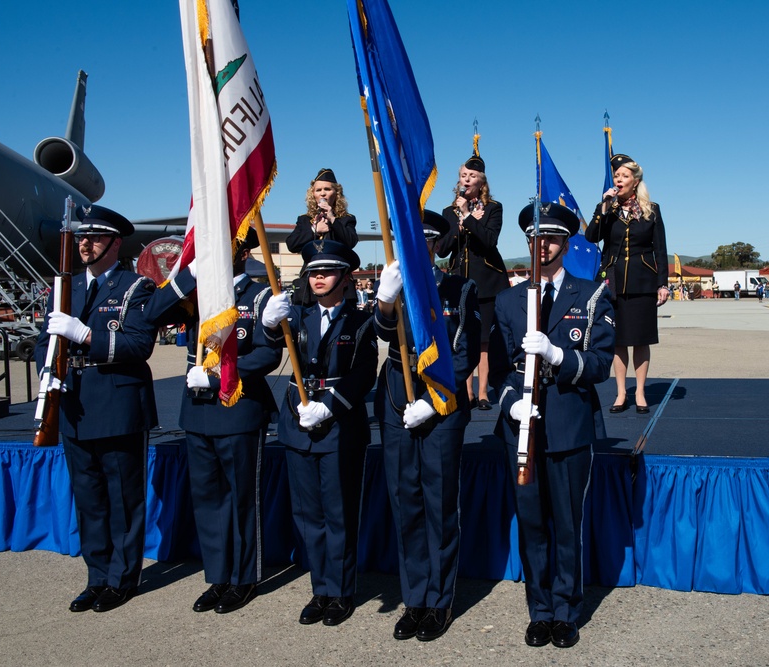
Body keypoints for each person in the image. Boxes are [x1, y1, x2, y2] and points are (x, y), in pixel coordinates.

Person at [490, 202, 615, 649]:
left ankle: (565, 610)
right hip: (522, 428)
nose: (543, 246)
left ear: (565, 243)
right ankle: (538, 611)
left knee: (566, 524)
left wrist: (558, 356)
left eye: (552, 238)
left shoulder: (592, 293)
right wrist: (511, 406)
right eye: (535, 238)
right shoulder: (507, 300)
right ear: (528, 242)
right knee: (532, 524)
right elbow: (498, 373)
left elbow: (600, 364)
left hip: (568, 425)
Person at [144, 227, 280, 614]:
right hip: (197, 412)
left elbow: (267, 356)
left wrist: (221, 376)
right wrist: (187, 276)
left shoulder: (258, 296)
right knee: (207, 501)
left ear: (239, 254)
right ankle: (218, 576)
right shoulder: (194, 295)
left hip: (237, 409)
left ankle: (243, 579)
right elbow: (153, 313)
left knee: (240, 499)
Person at [34, 206, 158, 613]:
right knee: (88, 498)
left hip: (118, 403)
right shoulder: (64, 288)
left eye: (96, 238)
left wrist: (85, 335)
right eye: (82, 238)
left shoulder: (135, 287)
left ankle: (123, 579)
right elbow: (44, 339)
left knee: (123, 497)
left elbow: (140, 346)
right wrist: (46, 371)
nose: (85, 244)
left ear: (115, 243)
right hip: (73, 404)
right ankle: (97, 576)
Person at [373, 211, 481, 642]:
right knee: (407, 506)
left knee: (438, 507)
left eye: (425, 242)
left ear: (436, 245)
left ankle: (438, 601)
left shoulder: (459, 288)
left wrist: (433, 404)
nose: (417, 250)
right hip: (398, 401)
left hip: (442, 407)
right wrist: (384, 301)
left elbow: (465, 354)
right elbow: (381, 334)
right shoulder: (394, 284)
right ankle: (414, 598)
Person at [260, 240, 378, 627]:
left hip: (339, 424)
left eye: (327, 271)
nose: (318, 277)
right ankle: (320, 589)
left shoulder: (362, 321)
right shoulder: (295, 315)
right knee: (308, 514)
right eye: (313, 271)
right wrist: (267, 323)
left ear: (346, 277)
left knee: (338, 512)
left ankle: (341, 591)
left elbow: (363, 373)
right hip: (298, 422)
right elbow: (277, 343)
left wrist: (330, 404)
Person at [584, 153, 668, 414]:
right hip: (613, 281)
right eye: (616, 176)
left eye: (624, 176)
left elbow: (660, 250)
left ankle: (640, 392)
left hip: (643, 281)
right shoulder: (607, 210)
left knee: (641, 340)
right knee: (618, 340)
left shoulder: (651, 209)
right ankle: (621, 393)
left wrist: (662, 284)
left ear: (636, 180)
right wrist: (604, 208)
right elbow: (591, 237)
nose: (619, 180)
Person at [437, 155, 510, 411]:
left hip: (488, 281)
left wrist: (469, 217)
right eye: (463, 176)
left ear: (482, 182)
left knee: (483, 341)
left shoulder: (493, 208)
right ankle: (465, 390)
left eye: (472, 177)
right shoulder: (448, 212)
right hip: (459, 282)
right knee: (461, 336)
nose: (466, 180)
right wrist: (459, 222)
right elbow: (442, 250)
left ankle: (482, 392)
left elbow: (489, 241)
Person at [285, 169, 359, 307]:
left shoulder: (345, 219)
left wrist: (332, 219)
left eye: (327, 189)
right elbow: (291, 244)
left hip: (339, 279)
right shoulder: (304, 220)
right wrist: (315, 229)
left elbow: (351, 241)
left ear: (336, 193)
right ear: (313, 194)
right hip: (312, 280)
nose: (323, 193)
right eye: (318, 190)